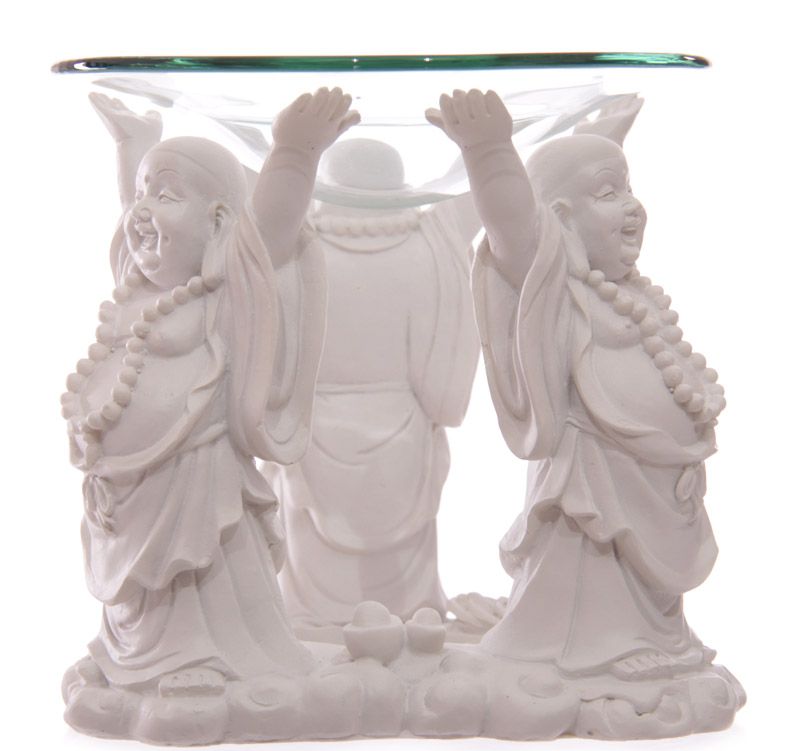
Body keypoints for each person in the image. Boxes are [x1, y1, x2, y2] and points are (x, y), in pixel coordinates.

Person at [62, 89, 359, 693]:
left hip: (196, 478)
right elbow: (139, 219)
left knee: (197, 578)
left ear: (220, 224)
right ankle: (134, 654)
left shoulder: (223, 292)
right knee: (141, 591)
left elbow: (270, 230)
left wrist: (295, 153)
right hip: (126, 489)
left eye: (167, 195)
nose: (142, 211)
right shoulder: (140, 289)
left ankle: (205, 660)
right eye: (143, 194)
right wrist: (134, 146)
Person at [428, 90, 725, 678]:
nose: (632, 206)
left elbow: (563, 193)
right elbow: (516, 226)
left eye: (629, 188)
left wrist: (600, 142)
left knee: (639, 576)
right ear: (560, 221)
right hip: (594, 475)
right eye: (610, 193)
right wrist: (488, 152)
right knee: (595, 553)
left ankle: (648, 634)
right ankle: (598, 646)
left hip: (654, 479)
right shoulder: (557, 287)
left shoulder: (628, 293)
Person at [265, 138, 480, 632]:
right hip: (389, 430)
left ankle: (325, 625)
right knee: (396, 591)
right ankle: (397, 623)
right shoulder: (432, 239)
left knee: (314, 572)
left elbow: (241, 193)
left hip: (318, 429)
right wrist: (481, 142)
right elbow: (479, 185)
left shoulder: (293, 240)